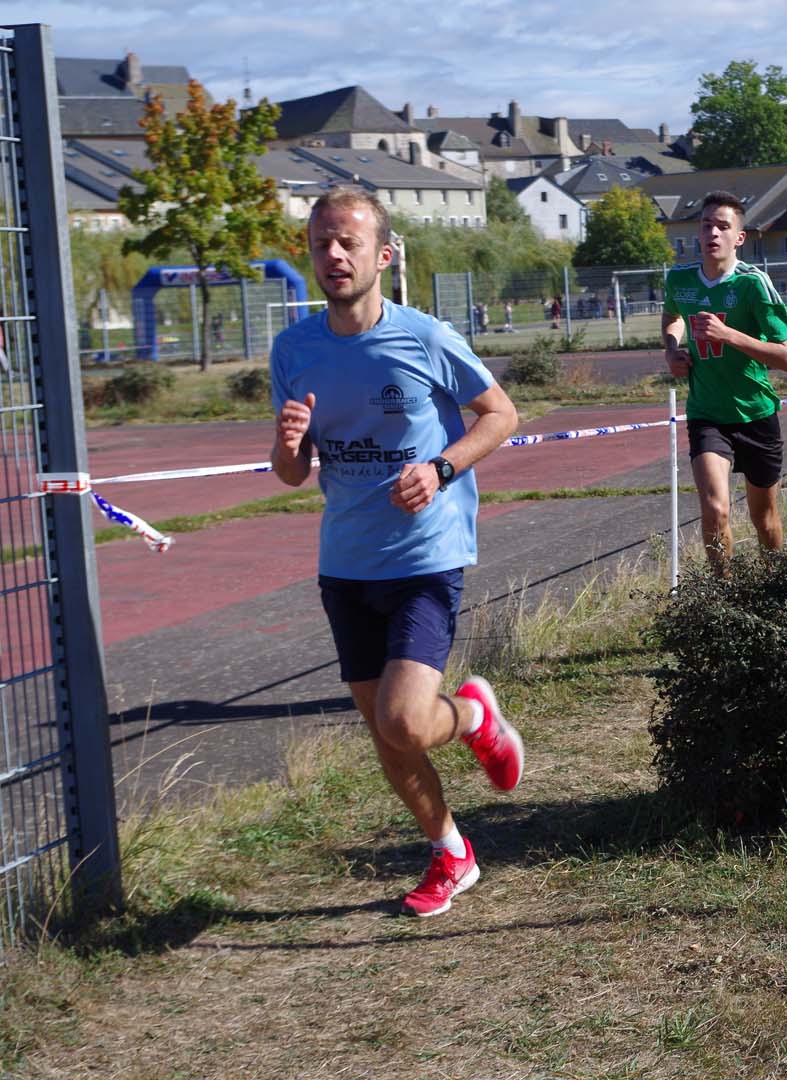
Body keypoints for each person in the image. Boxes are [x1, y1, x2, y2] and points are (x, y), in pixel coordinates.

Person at [269, 187, 523, 917]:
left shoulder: (425, 337)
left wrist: (440, 468)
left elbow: (500, 414)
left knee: (406, 720)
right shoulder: (294, 349)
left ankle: (473, 717)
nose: (334, 255)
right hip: (344, 563)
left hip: (423, 555)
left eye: (348, 242)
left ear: (383, 256)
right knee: (387, 735)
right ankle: (451, 852)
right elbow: (291, 471)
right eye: (321, 242)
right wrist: (288, 449)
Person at [661, 191, 787, 573]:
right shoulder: (680, 280)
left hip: (756, 413)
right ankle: (723, 601)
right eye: (707, 225)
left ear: (739, 237)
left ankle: (775, 586)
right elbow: (672, 316)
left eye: (723, 226)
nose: (713, 233)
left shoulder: (754, 284)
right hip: (707, 414)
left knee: (765, 521)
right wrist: (672, 350)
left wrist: (729, 336)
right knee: (716, 509)